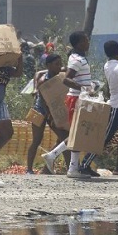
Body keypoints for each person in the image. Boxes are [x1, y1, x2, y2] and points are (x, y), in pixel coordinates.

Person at [41, 31, 95, 178]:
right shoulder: (77, 59)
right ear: (78, 44)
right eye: (85, 40)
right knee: (77, 134)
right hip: (77, 99)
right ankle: (55, 157)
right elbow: (66, 79)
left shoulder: (78, 57)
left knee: (77, 135)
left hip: (80, 98)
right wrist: (85, 88)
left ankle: (71, 167)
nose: (88, 43)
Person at [25, 54, 69, 174]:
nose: (59, 66)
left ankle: (65, 167)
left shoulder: (59, 75)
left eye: (60, 63)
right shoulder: (44, 81)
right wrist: (52, 117)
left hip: (53, 111)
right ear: (49, 66)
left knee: (64, 138)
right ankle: (29, 169)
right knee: (37, 140)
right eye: (56, 64)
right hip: (41, 111)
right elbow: (45, 102)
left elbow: (65, 69)